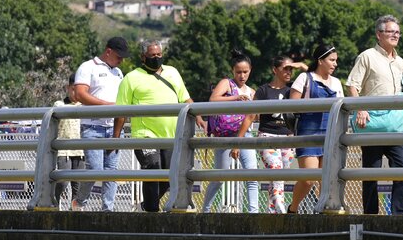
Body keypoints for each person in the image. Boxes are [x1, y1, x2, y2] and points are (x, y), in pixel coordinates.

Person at [113, 40, 204, 212]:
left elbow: (185, 98)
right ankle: (151, 213)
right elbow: (121, 112)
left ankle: (145, 206)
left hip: (170, 136)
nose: (156, 58)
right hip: (145, 135)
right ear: (143, 57)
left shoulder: (173, 72)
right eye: (152, 55)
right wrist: (115, 139)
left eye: (159, 55)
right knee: (152, 169)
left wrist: (199, 116)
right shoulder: (131, 78)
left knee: (170, 176)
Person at [346, 15, 403, 216]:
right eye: (390, 32)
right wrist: (360, 108)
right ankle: (371, 215)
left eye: (397, 32)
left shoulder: (400, 61)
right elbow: (352, 85)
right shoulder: (367, 56)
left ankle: (399, 215)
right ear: (378, 34)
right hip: (372, 124)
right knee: (370, 172)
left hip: (396, 125)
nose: (395, 35)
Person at [237, 55, 307, 213]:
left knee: (278, 179)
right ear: (274, 70)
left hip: (288, 139)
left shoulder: (292, 91)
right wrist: (238, 142)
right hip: (267, 137)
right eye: (285, 69)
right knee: (276, 171)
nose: (289, 72)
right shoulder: (263, 91)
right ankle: (282, 213)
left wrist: (300, 66)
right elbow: (250, 116)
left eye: (291, 69)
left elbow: (312, 79)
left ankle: (272, 213)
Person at [71, 36, 128, 211]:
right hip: (92, 126)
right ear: (108, 51)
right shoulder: (88, 67)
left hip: (115, 127)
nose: (121, 60)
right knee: (95, 169)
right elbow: (80, 94)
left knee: (111, 171)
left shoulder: (118, 73)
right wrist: (109, 107)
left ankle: (107, 210)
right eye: (119, 56)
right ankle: (80, 201)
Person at [286, 44, 343, 214]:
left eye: (336, 61)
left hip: (330, 132)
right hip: (308, 131)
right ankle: (293, 209)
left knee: (327, 179)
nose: (335, 64)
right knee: (309, 178)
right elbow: (292, 105)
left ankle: (322, 211)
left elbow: (341, 110)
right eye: (331, 60)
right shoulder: (305, 78)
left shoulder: (337, 83)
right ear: (320, 61)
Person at [200, 51, 257, 213]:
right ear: (233, 71)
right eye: (238, 72)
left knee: (252, 175)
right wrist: (235, 98)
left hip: (245, 135)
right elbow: (213, 99)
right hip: (225, 135)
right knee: (219, 178)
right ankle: (206, 210)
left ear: (250, 70)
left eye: (245, 72)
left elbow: (254, 116)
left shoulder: (252, 92)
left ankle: (254, 212)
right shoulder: (227, 83)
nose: (242, 75)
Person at [53, 74, 85, 209]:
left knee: (78, 185)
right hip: (64, 149)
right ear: (68, 88)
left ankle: (75, 210)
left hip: (80, 150)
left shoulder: (85, 106)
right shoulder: (59, 104)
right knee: (62, 182)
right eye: (73, 89)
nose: (75, 92)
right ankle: (54, 202)